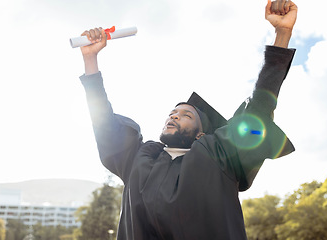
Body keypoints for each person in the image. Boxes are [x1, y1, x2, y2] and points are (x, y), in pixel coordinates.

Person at [78, 0, 298, 239]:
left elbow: (259, 109)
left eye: (186, 115)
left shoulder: (220, 155)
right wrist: (91, 59)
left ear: (201, 133)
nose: (174, 116)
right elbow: (104, 124)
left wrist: (282, 33)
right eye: (172, 113)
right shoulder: (139, 160)